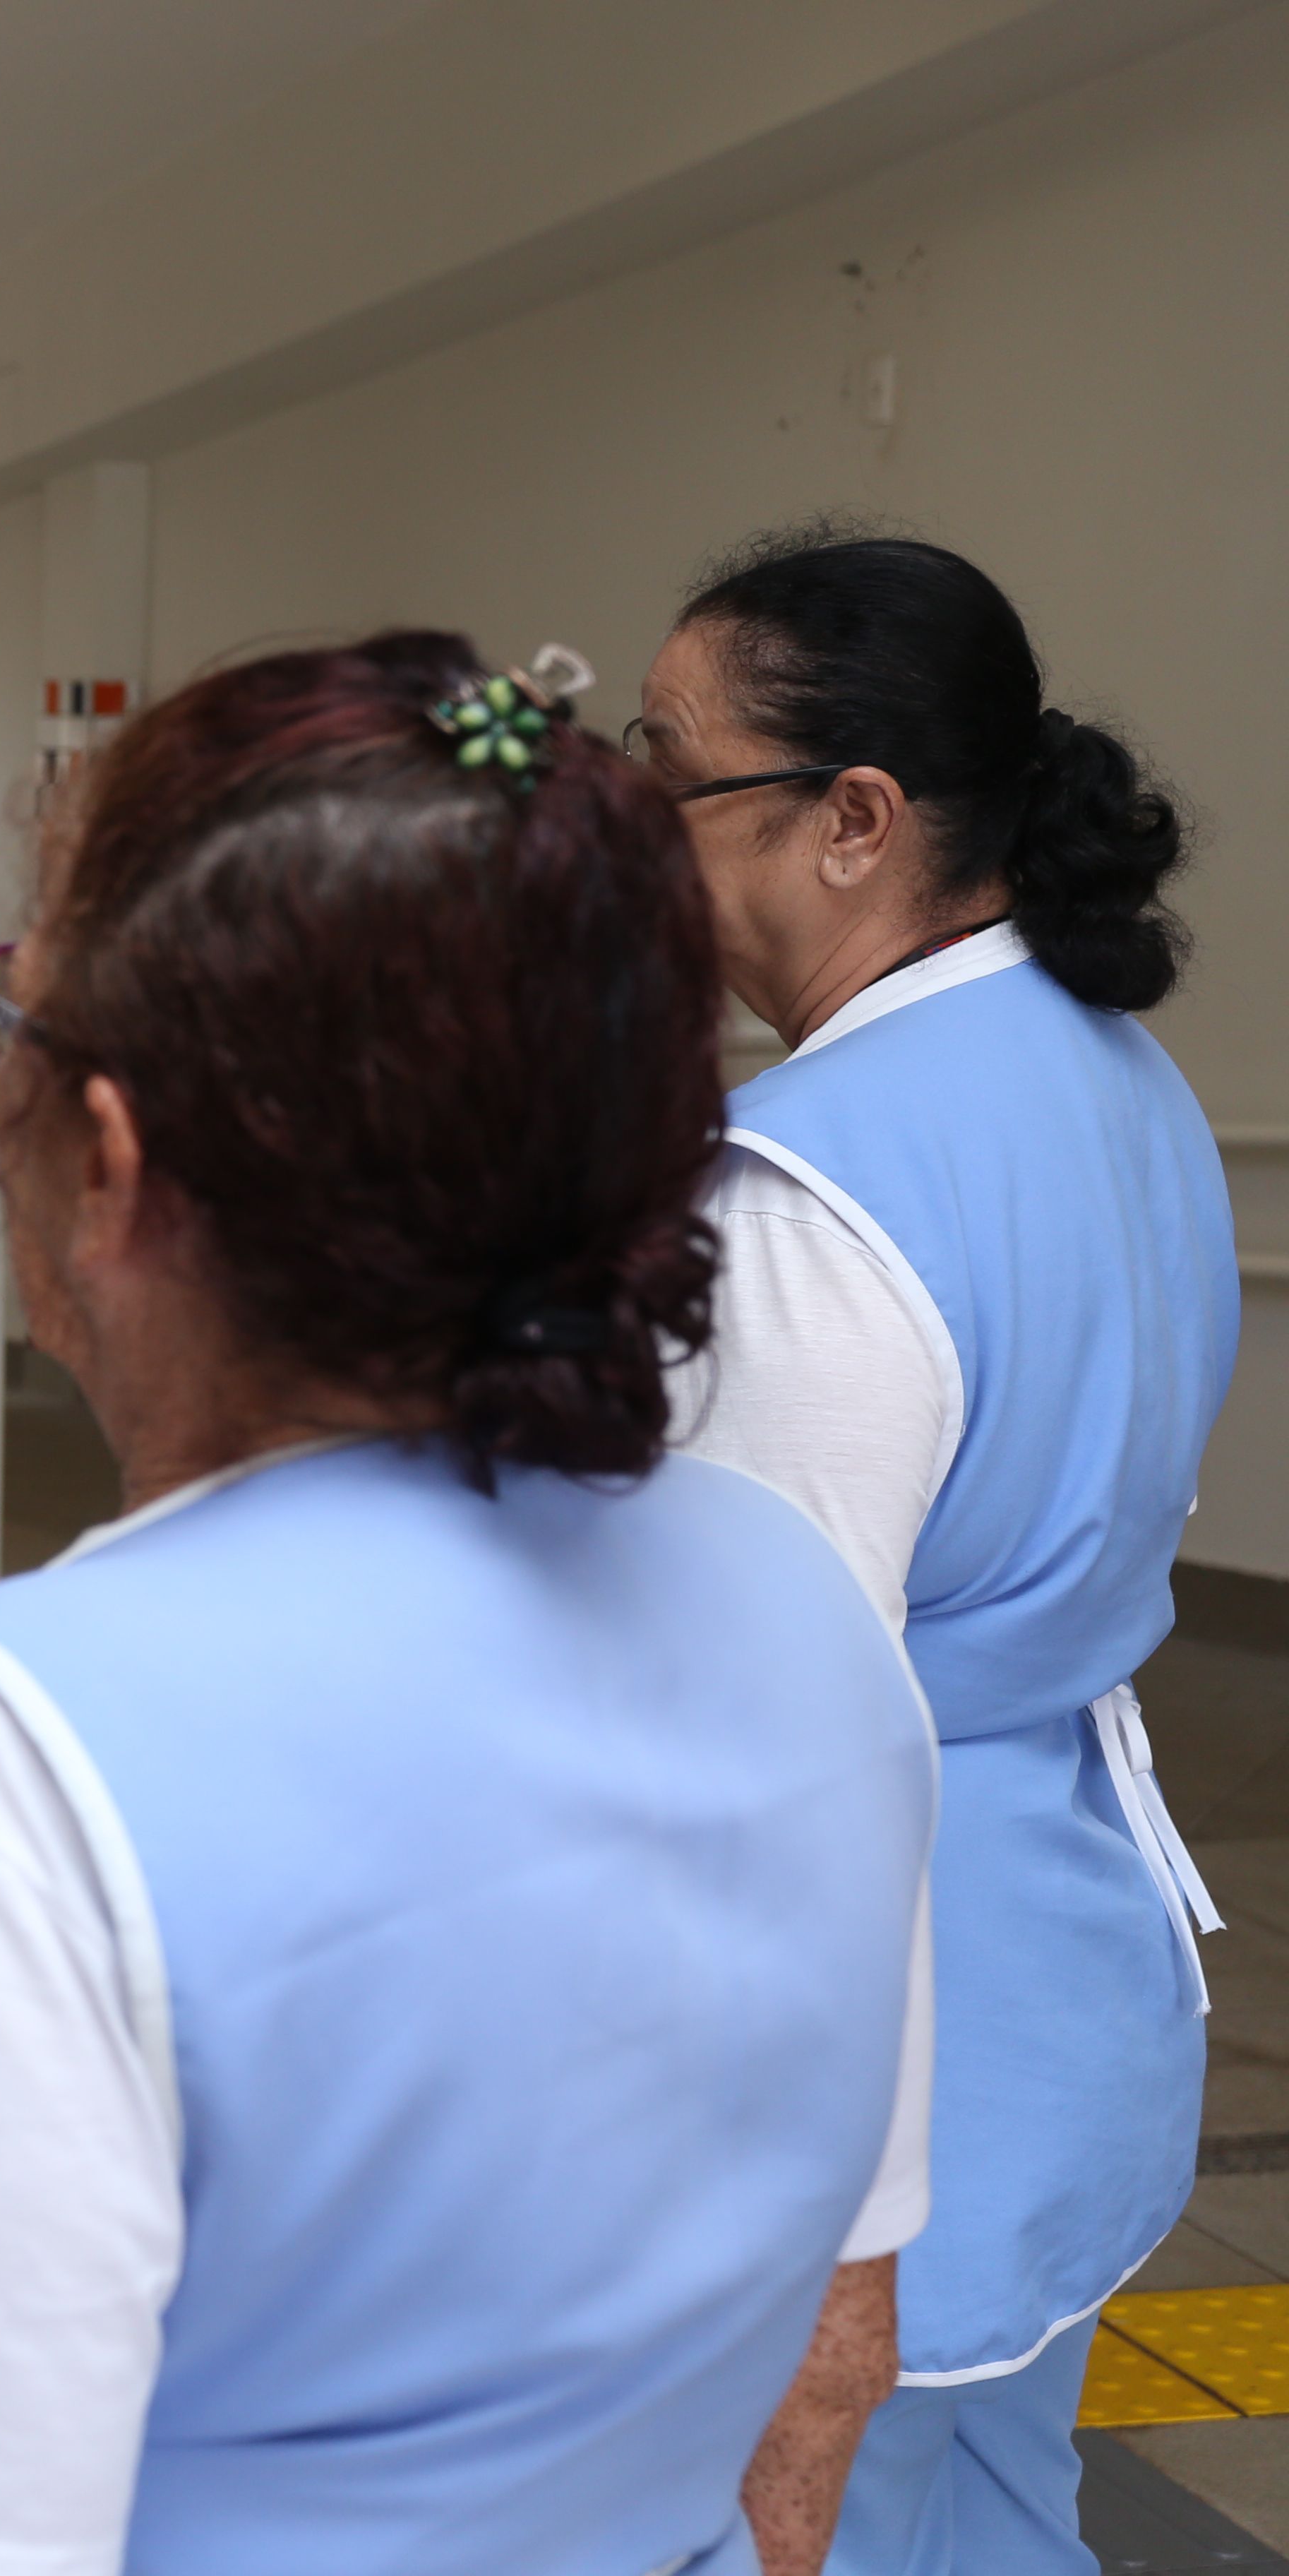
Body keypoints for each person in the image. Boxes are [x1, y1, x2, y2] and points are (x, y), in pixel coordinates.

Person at [0, 634, 940, 2576]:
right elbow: (829, 2329)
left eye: (16, 1015)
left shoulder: (10, 1765)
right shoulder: (806, 1609)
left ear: (110, 1160)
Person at [635, 532, 1237, 2576]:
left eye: (669, 773)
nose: (632, 827)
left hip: (879, 2055)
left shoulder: (812, 1190)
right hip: (1056, 1976)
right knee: (994, 2518)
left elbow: (779, 1745)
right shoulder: (1117, 1076)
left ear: (854, 821)